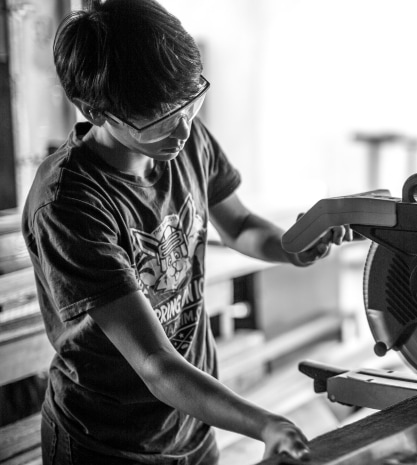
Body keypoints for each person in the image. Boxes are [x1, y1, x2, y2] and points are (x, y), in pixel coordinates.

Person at [21, 0, 349, 463]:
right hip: (108, 443)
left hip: (192, 424)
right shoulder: (70, 205)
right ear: (96, 113)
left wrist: (291, 247)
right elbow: (154, 363)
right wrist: (265, 423)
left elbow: (238, 224)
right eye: (158, 118)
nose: (181, 128)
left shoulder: (187, 138)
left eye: (189, 102)